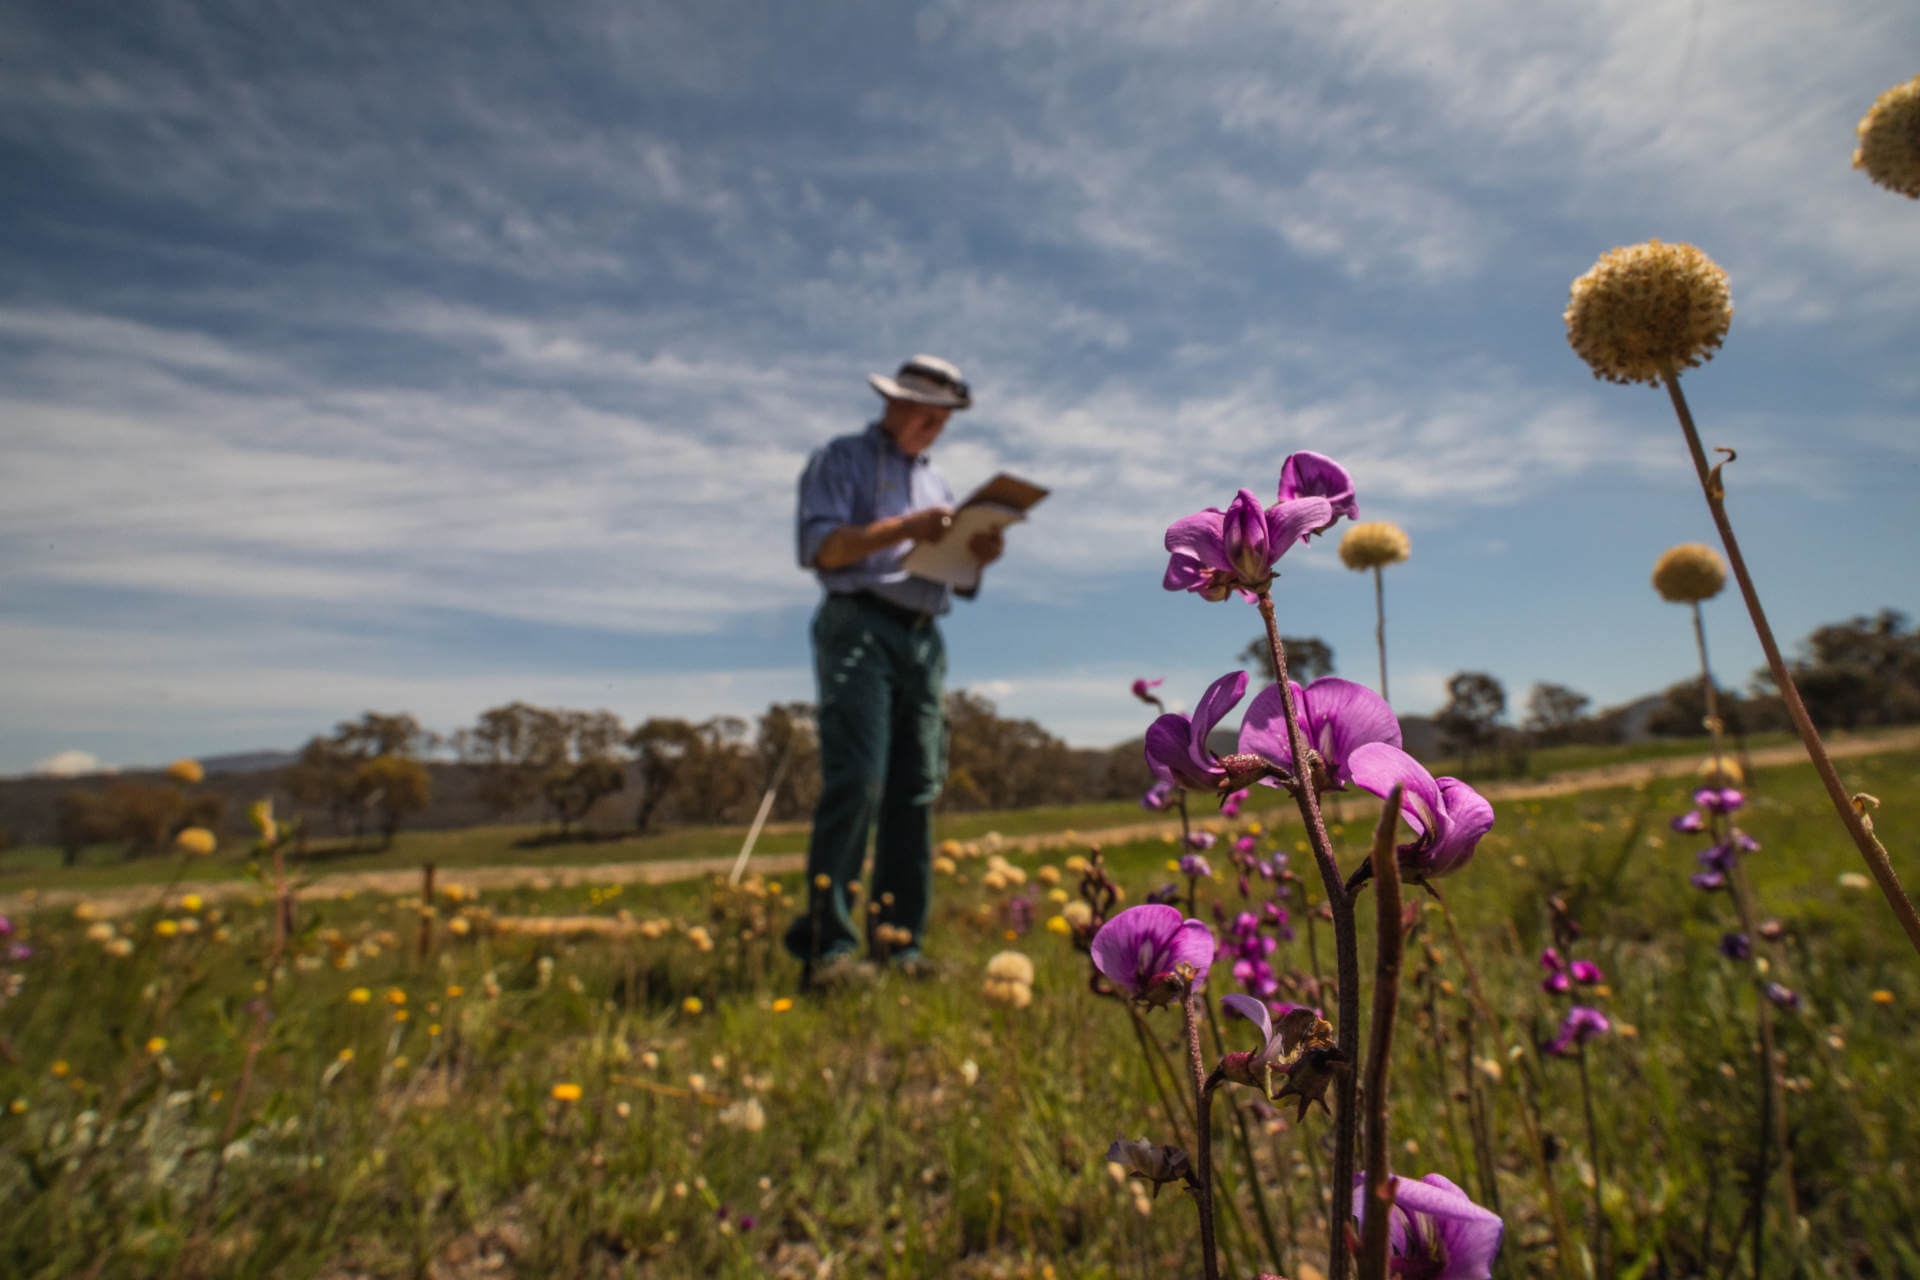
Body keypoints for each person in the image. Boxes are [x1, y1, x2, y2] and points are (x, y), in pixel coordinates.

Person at [784, 354, 1003, 985]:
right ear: (893, 404)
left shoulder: (938, 484)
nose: (931, 427)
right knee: (856, 780)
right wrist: (905, 528)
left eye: (942, 420)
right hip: (859, 622)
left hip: (923, 635)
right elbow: (821, 548)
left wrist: (977, 554)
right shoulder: (840, 460)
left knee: (916, 788)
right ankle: (827, 949)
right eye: (923, 414)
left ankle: (898, 943)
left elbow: (955, 580)